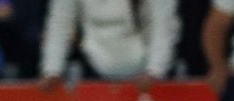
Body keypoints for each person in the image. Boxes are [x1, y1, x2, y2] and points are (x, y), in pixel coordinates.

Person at [39, 0, 179, 82]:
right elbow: (60, 24)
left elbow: (163, 26)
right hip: (96, 67)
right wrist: (52, 70)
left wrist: (155, 70)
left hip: (149, 72)